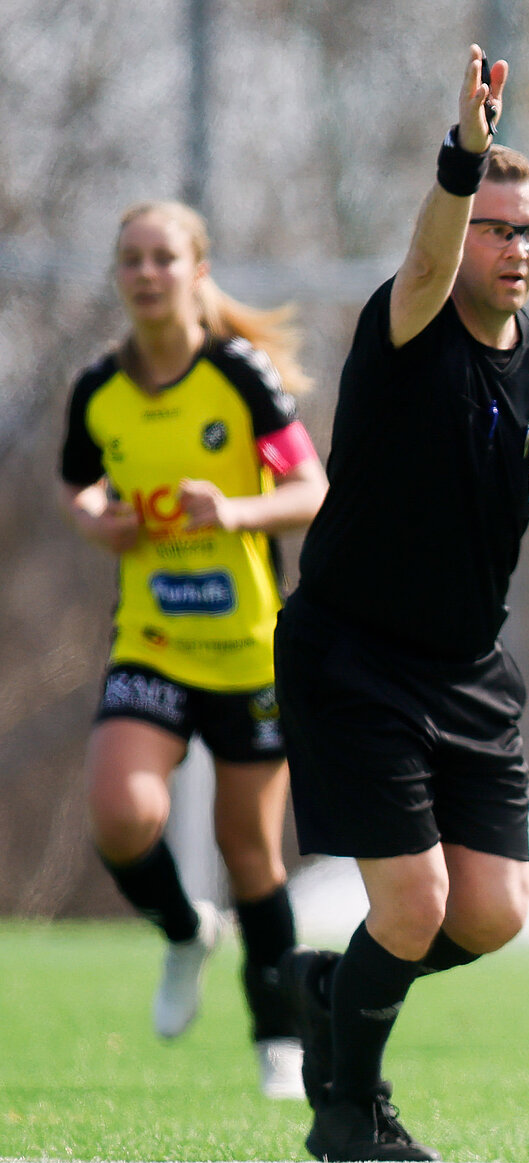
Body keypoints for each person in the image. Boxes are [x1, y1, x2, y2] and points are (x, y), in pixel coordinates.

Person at [273, 46, 529, 1163]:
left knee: (493, 913)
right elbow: (426, 254)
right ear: (464, 231)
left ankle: (339, 986)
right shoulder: (410, 327)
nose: (516, 249)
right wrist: (463, 153)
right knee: (416, 904)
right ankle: (346, 1112)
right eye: (497, 227)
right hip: (354, 657)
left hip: (469, 669)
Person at [59, 200, 327, 1099]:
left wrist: (237, 509)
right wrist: (102, 521)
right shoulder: (99, 387)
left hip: (250, 651)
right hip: (154, 642)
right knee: (121, 812)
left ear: (196, 269)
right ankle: (182, 930)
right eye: (130, 258)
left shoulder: (240, 377)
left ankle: (279, 1036)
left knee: (249, 847)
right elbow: (80, 485)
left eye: (163, 257)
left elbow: (311, 487)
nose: (145, 273)